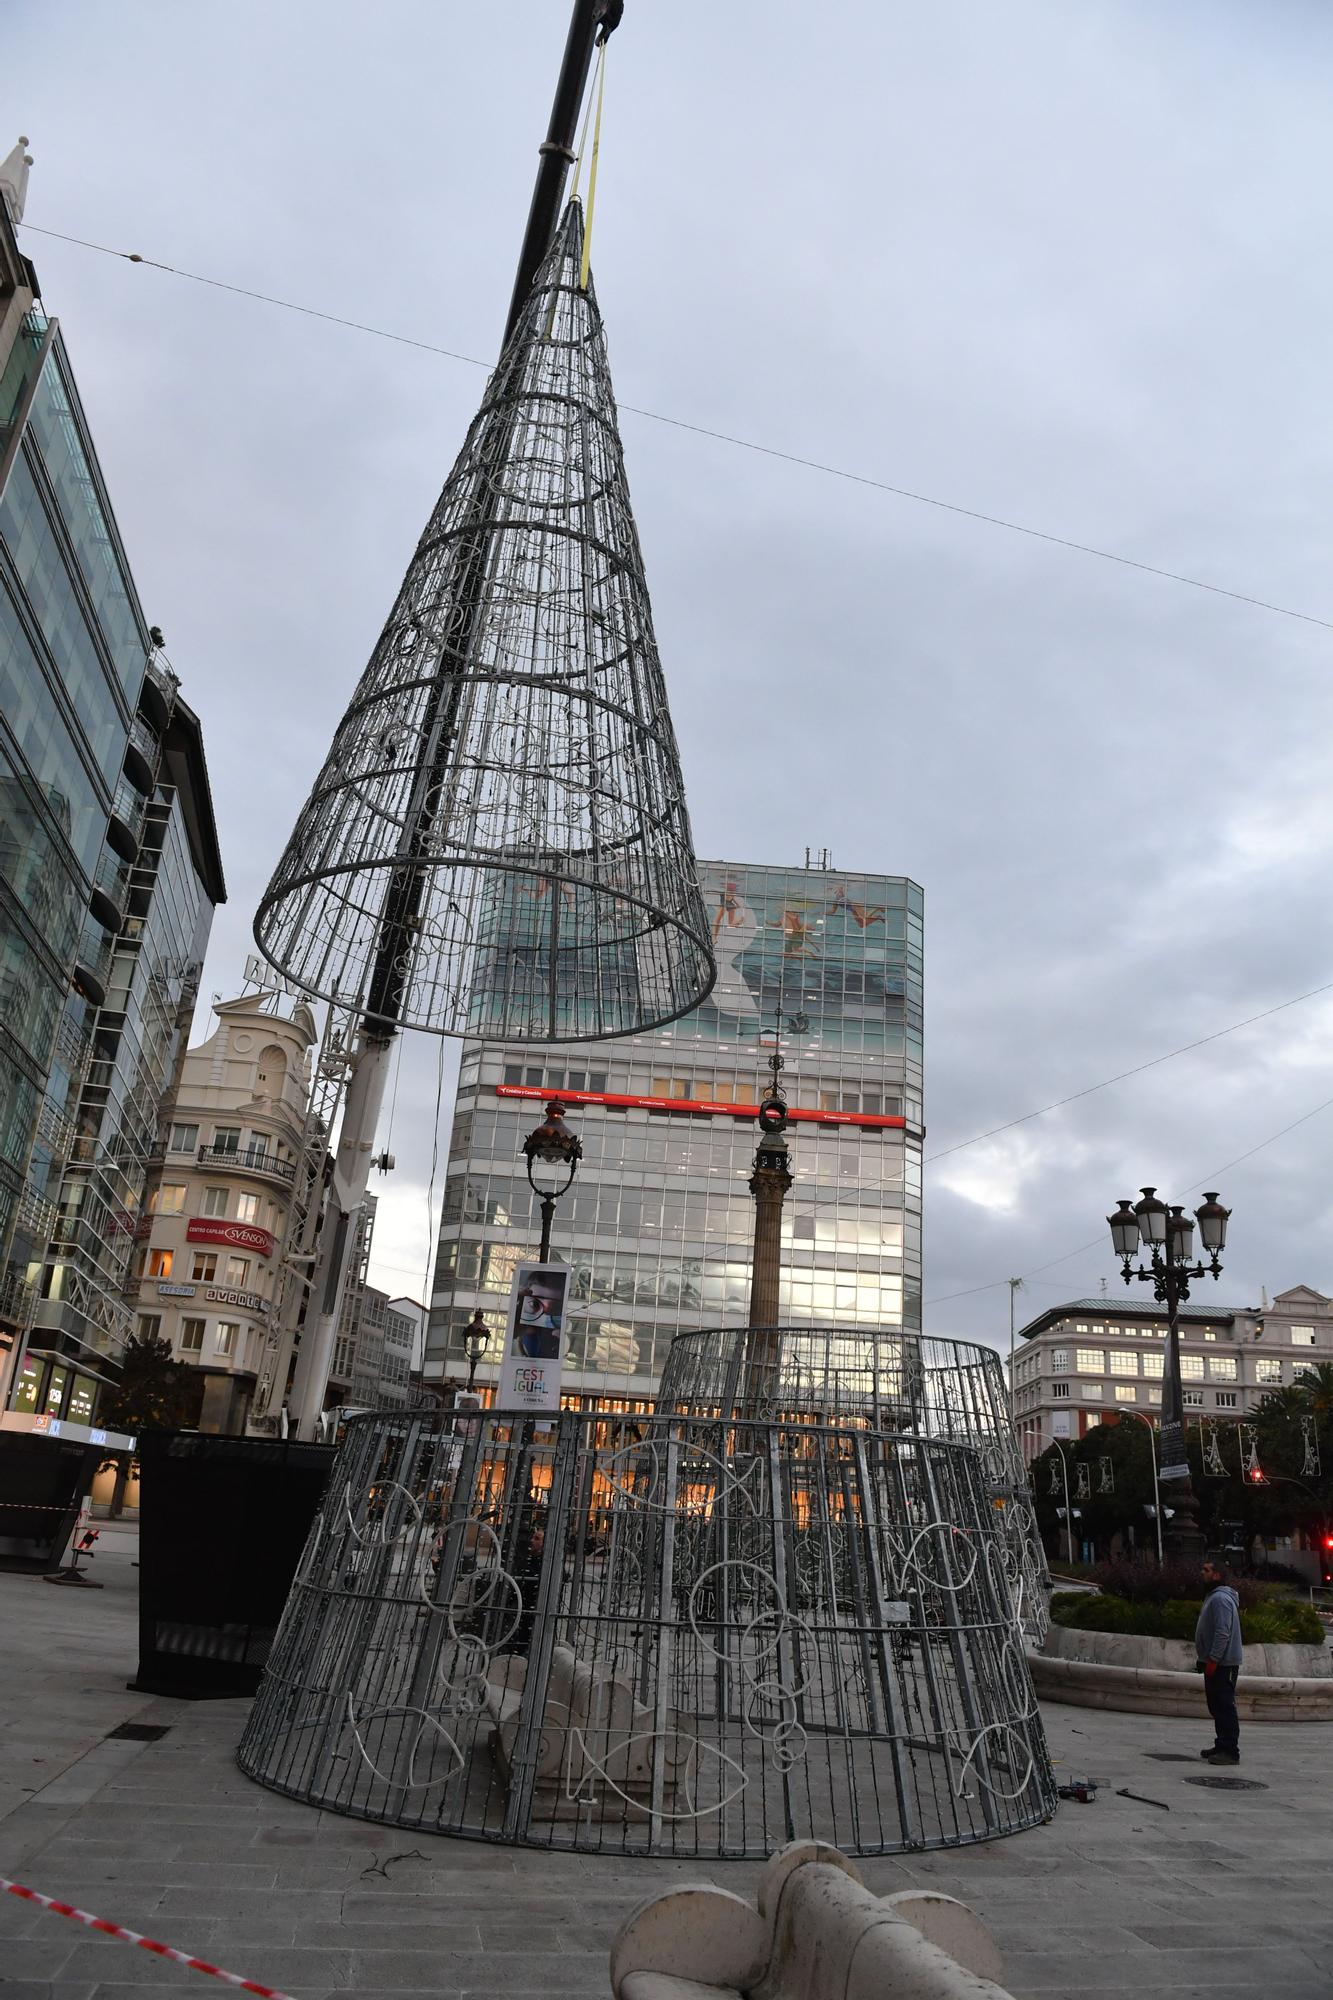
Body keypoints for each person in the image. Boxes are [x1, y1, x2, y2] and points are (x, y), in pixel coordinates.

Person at [1195, 1555, 1243, 1764]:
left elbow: (1223, 1632)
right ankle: (1221, 1743)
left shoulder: (1221, 1599)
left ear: (1217, 1575)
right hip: (1215, 1661)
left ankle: (1230, 1751)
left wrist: (1213, 1659)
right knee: (1216, 1705)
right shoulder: (1213, 1596)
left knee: (1224, 1705)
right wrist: (1205, 1659)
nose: (1202, 1573)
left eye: (1206, 1570)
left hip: (1224, 1663)